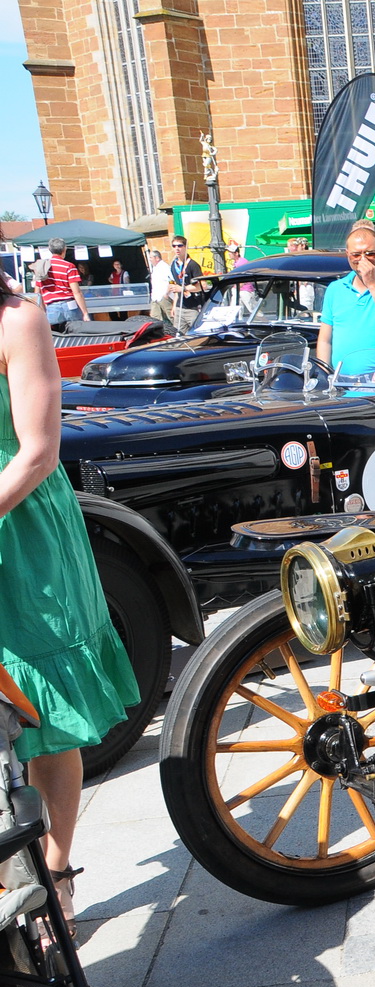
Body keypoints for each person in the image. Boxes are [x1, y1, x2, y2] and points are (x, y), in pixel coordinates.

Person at [0, 276, 140, 924]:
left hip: (22, 532)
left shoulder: (18, 319)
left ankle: (54, 875)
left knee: (46, 720)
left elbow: (37, 451)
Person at [317, 224, 375, 378]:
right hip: (340, 380)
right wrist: (323, 374)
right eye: (356, 255)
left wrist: (373, 284)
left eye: (370, 254)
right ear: (348, 255)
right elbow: (325, 339)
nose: (363, 260)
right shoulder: (335, 289)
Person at [36, 239, 88, 326]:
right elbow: (77, 292)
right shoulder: (69, 266)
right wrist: (85, 312)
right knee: (76, 334)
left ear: (50, 250)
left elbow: (37, 293)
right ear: (64, 250)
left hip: (52, 307)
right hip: (70, 305)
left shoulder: (42, 267)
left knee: (56, 337)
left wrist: (43, 311)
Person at [163, 236, 202, 331]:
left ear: (185, 247)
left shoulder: (192, 265)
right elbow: (177, 288)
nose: (177, 248)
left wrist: (183, 289)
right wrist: (174, 306)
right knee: (178, 337)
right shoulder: (173, 265)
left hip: (193, 308)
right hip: (180, 308)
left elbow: (201, 286)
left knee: (197, 334)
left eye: (180, 245)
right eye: (174, 246)